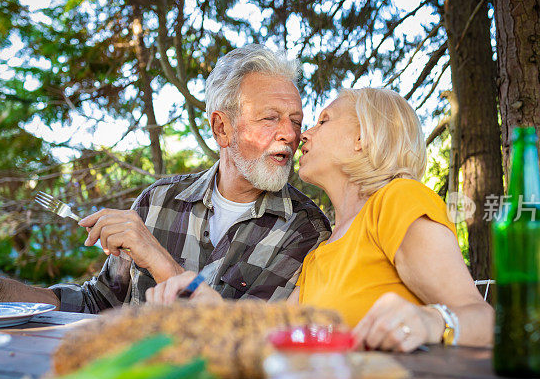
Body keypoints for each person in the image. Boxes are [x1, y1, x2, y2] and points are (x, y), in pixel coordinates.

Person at [0, 45, 331, 313]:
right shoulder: (158, 201)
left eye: (295, 121)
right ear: (222, 129)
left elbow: (239, 338)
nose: (290, 133)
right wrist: (10, 294)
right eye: (270, 118)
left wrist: (158, 260)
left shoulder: (306, 230)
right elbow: (100, 303)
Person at [147, 88, 494, 352]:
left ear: (363, 139)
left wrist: (431, 321)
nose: (304, 135)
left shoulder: (398, 199)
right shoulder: (321, 248)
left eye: (323, 121)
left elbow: (487, 321)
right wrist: (211, 307)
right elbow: (276, 332)